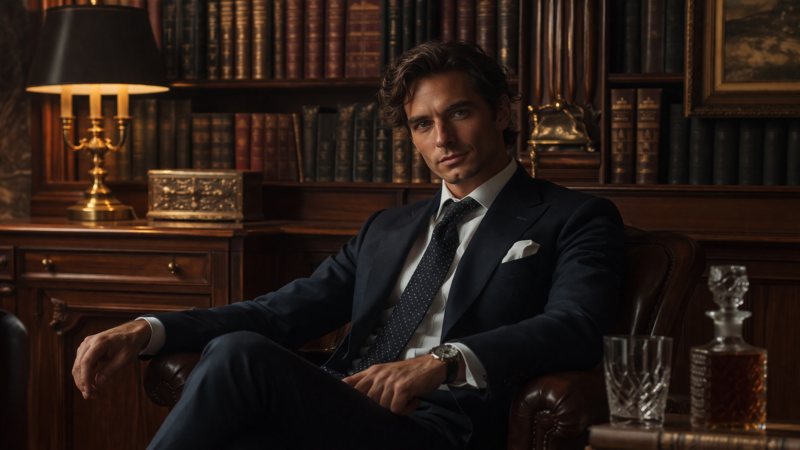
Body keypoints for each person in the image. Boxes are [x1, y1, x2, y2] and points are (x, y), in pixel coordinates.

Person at [71, 40, 624, 450]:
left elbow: (575, 325)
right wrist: (146, 329)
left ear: (500, 113)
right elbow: (275, 314)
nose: (443, 139)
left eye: (459, 113)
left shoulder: (572, 217)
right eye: (422, 124)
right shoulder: (387, 229)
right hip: (343, 404)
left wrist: (442, 361)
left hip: (442, 424)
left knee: (238, 355)